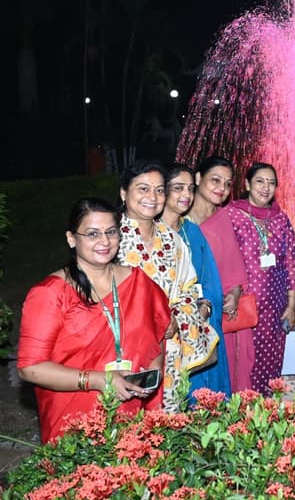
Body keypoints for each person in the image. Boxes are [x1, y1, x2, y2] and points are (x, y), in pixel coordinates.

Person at [17, 198, 170, 443]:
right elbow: (30, 368)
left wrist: (151, 372)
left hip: (131, 409)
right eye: (92, 234)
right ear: (71, 239)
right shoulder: (50, 294)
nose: (105, 241)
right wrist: (98, 380)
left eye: (111, 232)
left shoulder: (139, 283)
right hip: (75, 419)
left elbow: (159, 336)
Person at [117, 160, 218, 412]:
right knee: (129, 420)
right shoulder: (111, 238)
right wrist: (153, 322)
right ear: (123, 193)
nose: (153, 197)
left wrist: (179, 318)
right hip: (125, 348)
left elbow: (188, 290)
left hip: (171, 345)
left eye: (159, 190)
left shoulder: (171, 238)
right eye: (143, 189)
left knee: (169, 419)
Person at [201, 162, 295, 394]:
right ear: (247, 184)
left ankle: (265, 406)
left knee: (271, 362)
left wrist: (291, 305)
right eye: (260, 181)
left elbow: (291, 263)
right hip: (243, 305)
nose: (266, 188)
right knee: (243, 362)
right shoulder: (231, 215)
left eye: (271, 183)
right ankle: (242, 406)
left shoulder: (280, 219)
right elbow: (214, 249)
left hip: (275, 308)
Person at [162, 164, 232, 398]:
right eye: (178, 188)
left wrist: (206, 307)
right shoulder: (152, 234)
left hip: (201, 319)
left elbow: (210, 280)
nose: (186, 195)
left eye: (190, 188)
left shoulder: (192, 230)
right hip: (168, 328)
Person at [187, 156, 234, 226]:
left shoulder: (228, 219)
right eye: (216, 180)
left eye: (228, 184)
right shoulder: (179, 213)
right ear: (198, 178)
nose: (223, 188)